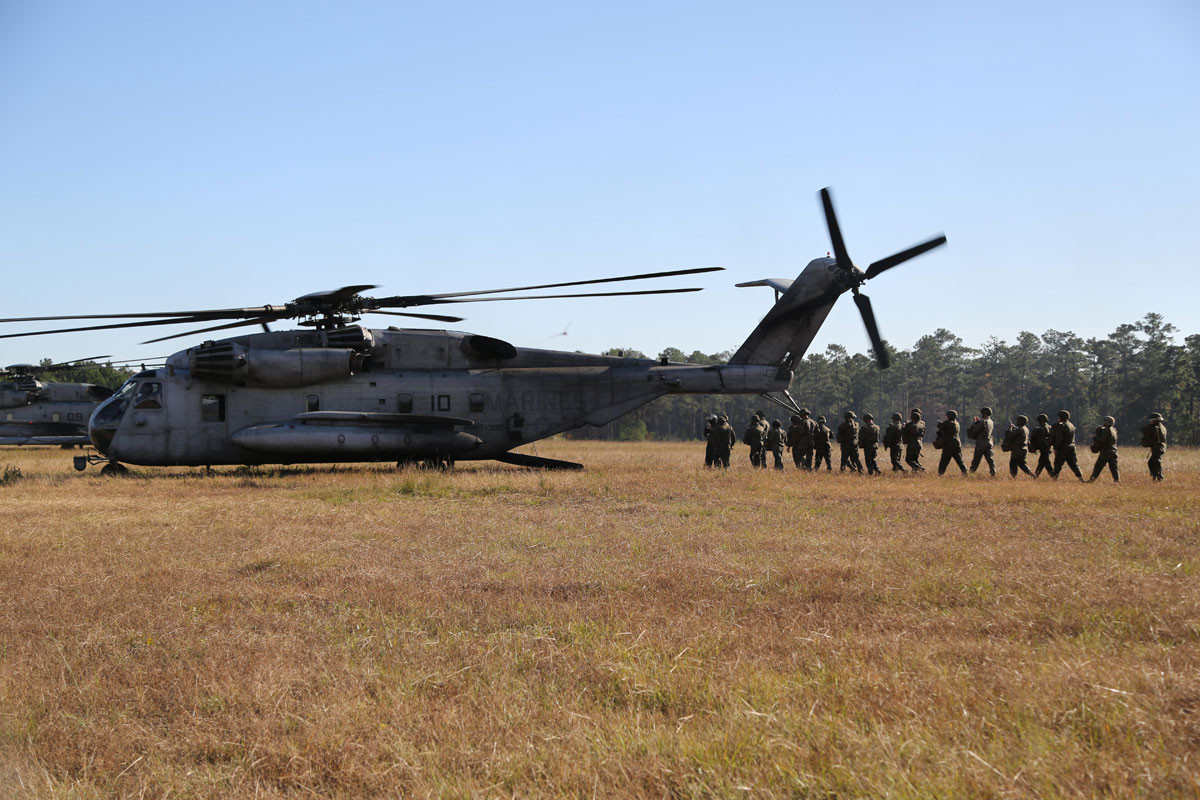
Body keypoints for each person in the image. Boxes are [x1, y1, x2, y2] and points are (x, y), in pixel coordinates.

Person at [1050, 410, 1084, 481]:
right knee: (1073, 464)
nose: (1058, 418)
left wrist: (1055, 448)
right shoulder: (1071, 425)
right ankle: (1081, 478)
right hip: (1071, 447)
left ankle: (1054, 479)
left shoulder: (1062, 426)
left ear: (1062, 417)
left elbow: (1059, 439)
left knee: (1057, 464)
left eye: (1059, 417)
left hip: (1063, 448)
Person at [936, 409, 967, 476]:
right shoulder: (957, 423)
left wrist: (938, 422)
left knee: (944, 460)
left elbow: (940, 426)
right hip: (957, 444)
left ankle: (940, 473)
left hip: (949, 445)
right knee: (959, 460)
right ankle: (965, 472)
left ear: (949, 416)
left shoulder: (949, 423)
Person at [1088, 416, 1119, 482]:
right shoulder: (1114, 430)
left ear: (1107, 422)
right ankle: (1117, 480)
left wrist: (1095, 437)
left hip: (1106, 452)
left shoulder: (1106, 430)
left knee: (1098, 466)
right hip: (1113, 452)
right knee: (1114, 468)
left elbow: (1102, 440)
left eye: (1104, 421)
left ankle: (1092, 479)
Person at [967, 406, 996, 476]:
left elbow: (975, 429)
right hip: (989, 443)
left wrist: (975, 422)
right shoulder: (991, 422)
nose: (982, 414)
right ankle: (993, 472)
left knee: (976, 460)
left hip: (981, 444)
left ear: (985, 413)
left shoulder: (983, 421)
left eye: (982, 413)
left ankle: (971, 473)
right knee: (990, 460)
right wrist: (979, 422)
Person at [1141, 412, 1167, 481]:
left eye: (1151, 420)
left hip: (1159, 447)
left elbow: (1148, 431)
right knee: (1152, 462)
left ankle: (1159, 477)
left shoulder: (1157, 428)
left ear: (1155, 420)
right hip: (1158, 447)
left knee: (1156, 462)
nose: (1150, 421)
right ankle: (1155, 476)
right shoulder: (1161, 427)